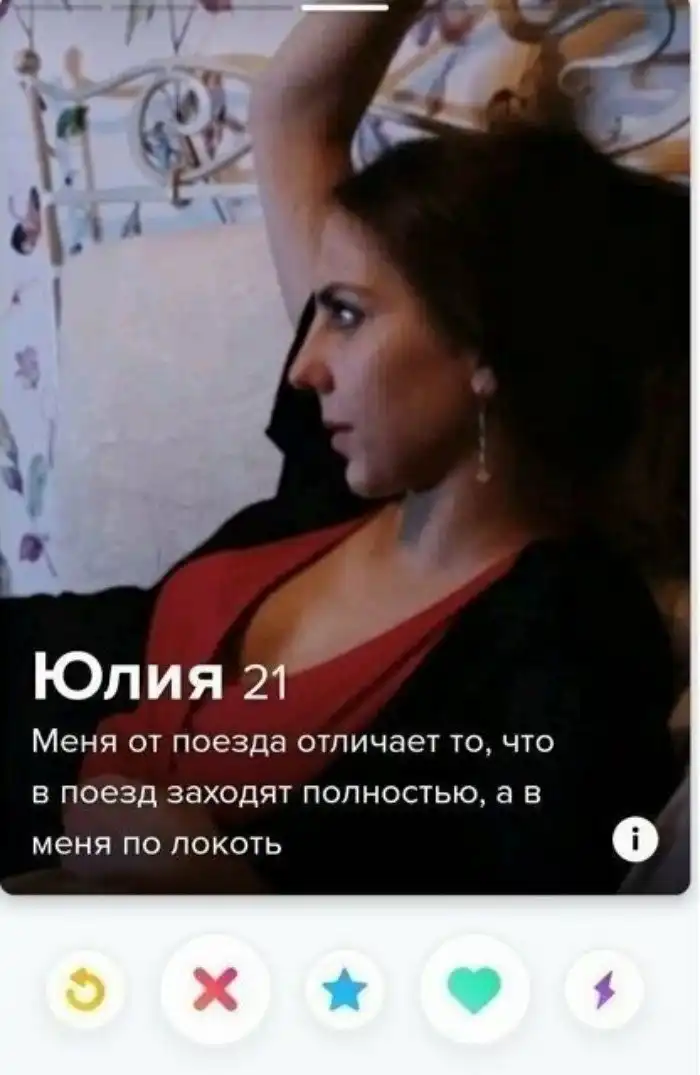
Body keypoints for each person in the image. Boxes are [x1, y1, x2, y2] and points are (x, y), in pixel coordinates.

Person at [0, 1, 689, 895]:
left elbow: (516, 948)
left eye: (349, 314)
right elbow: (292, 114)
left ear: (488, 346)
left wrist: (202, 874)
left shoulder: (567, 639)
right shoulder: (354, 478)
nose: (303, 366)